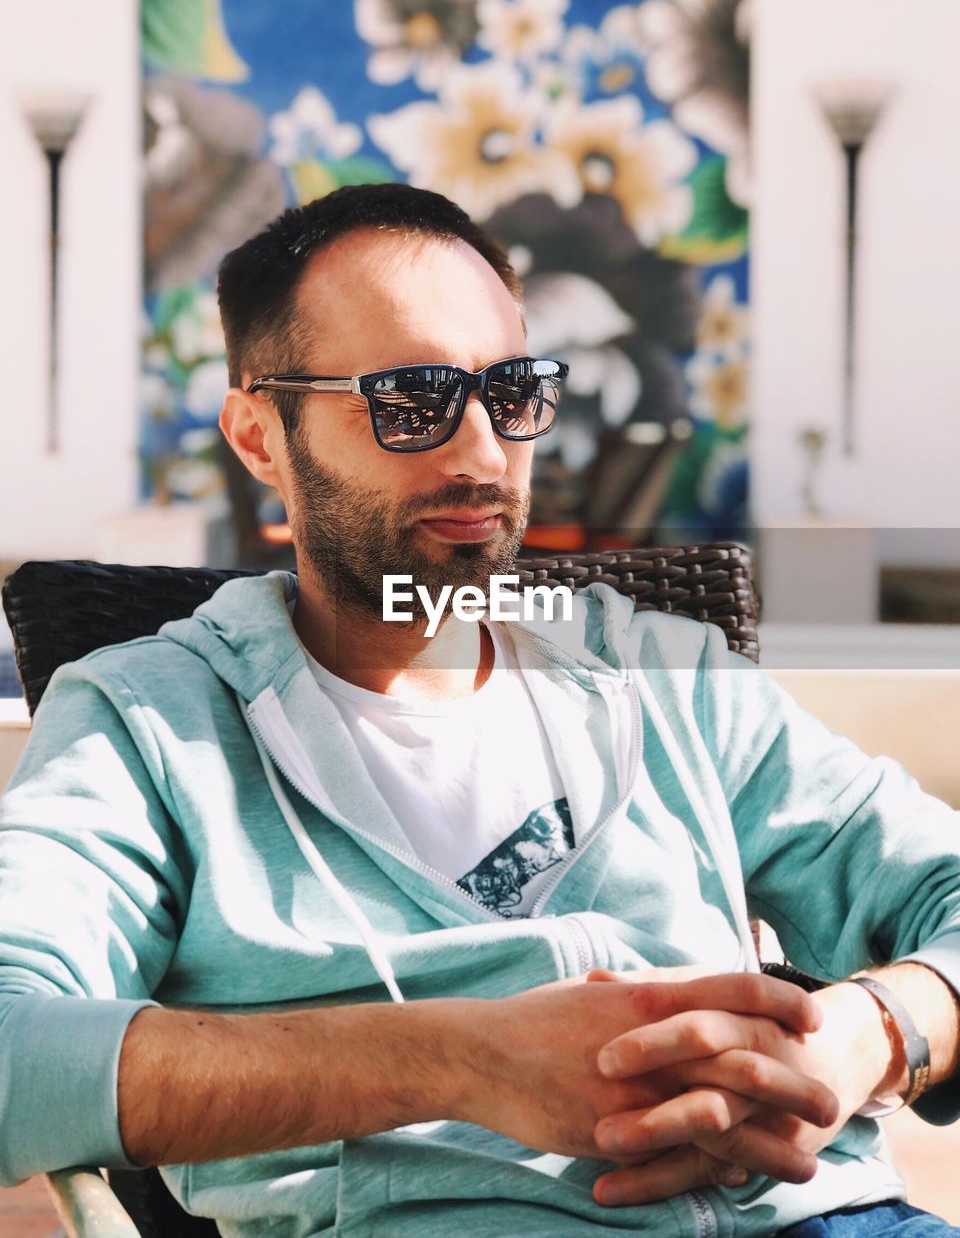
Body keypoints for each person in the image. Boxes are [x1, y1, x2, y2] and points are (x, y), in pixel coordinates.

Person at [1, 183, 959, 1238]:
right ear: (260, 435)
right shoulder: (152, 724)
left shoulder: (661, 674)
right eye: (411, 398)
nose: (481, 453)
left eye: (512, 392)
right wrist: (458, 1059)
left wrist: (870, 1030)